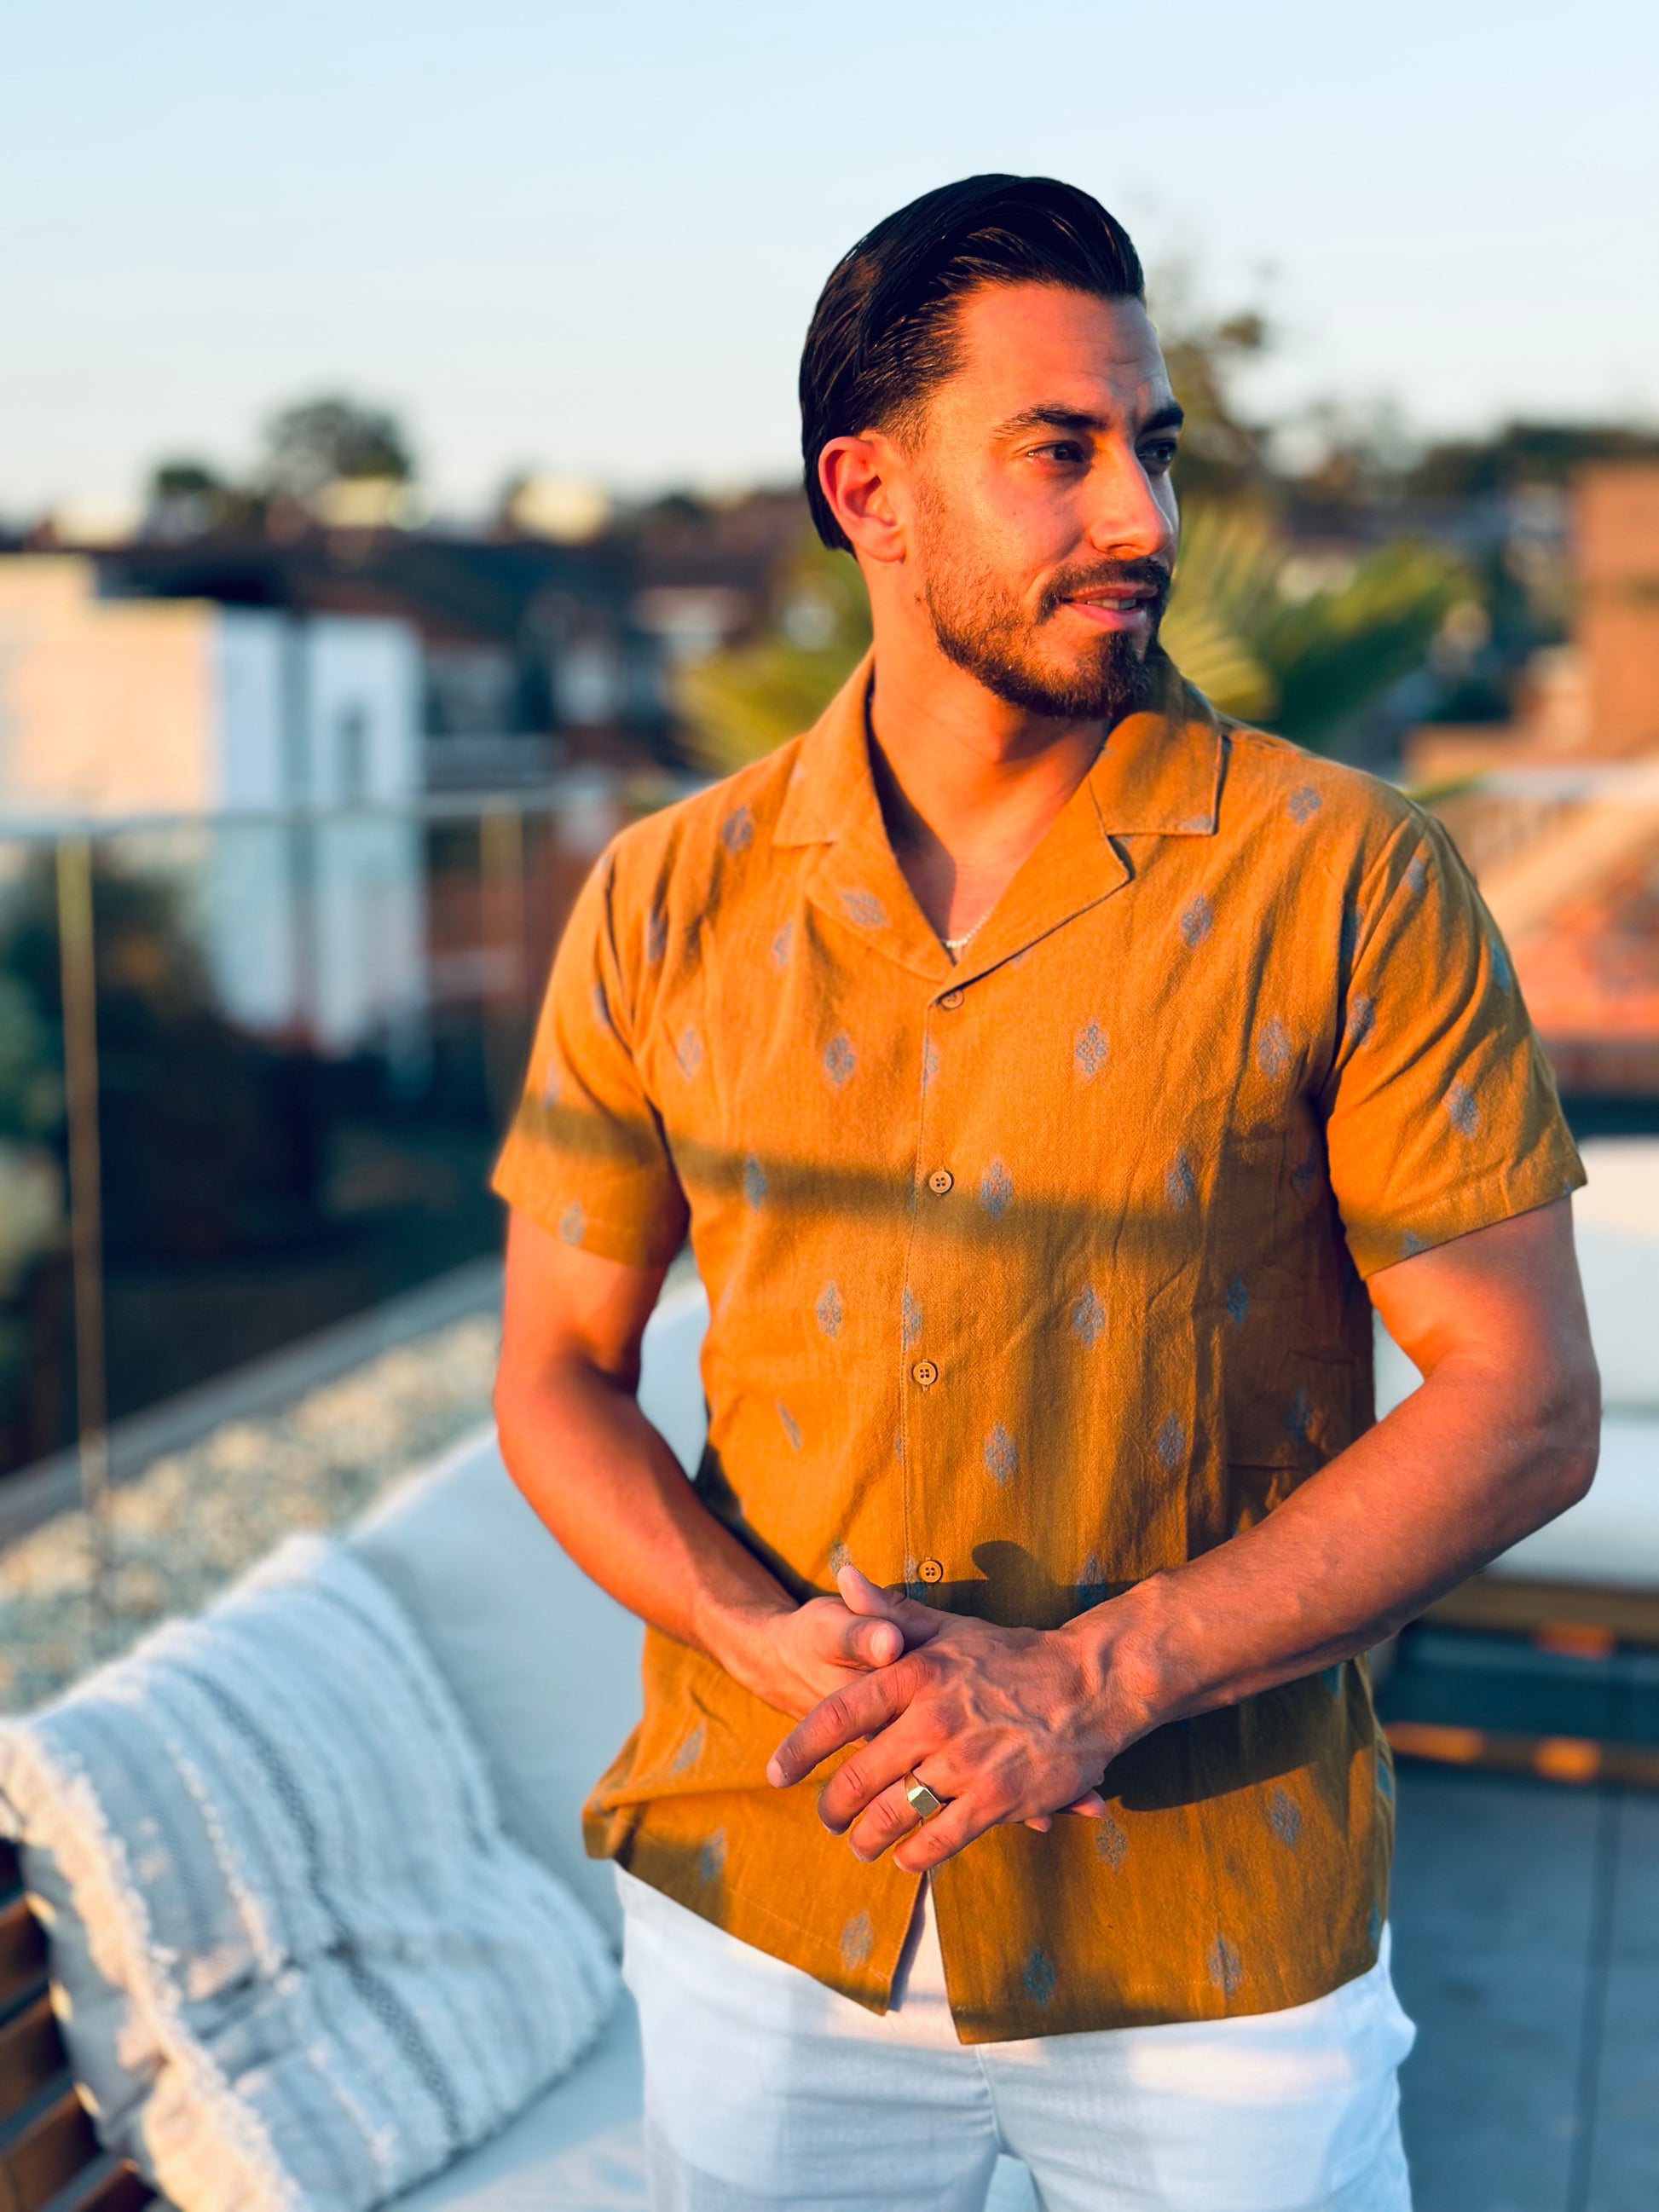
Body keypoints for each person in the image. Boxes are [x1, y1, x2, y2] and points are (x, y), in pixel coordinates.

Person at [491, 175, 1599, 2212]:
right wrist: (758, 1638)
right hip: (766, 1905)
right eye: (1058, 451)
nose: (1139, 516)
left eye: (1151, 447)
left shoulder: (1347, 873)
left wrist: (1092, 1680)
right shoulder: (662, 894)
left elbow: (1522, 1401)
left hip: (1210, 1944)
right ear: (870, 492)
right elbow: (554, 1368)